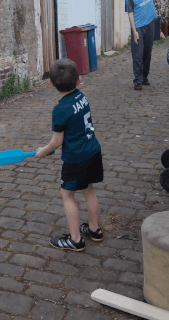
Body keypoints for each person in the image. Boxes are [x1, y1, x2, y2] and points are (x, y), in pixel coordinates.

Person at [35, 59, 103, 251]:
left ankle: (75, 239)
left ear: (51, 83)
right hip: (92, 151)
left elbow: (57, 140)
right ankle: (95, 229)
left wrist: (44, 151)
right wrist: (51, 148)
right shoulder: (82, 96)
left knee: (67, 195)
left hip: (76, 159)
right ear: (78, 81)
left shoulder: (60, 109)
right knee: (88, 190)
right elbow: (72, 131)